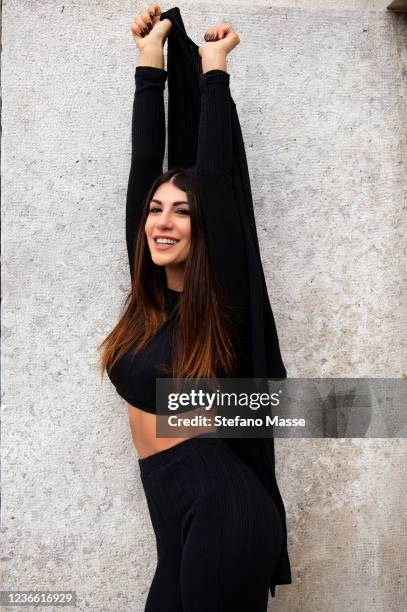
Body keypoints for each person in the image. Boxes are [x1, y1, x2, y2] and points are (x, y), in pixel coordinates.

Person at [98, 5, 289, 611]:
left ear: (204, 225)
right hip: (175, 512)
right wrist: (149, 63)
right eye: (157, 210)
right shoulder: (147, 296)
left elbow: (213, 174)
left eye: (181, 211)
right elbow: (140, 170)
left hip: (222, 510)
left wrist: (213, 69)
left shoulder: (220, 300)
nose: (162, 221)